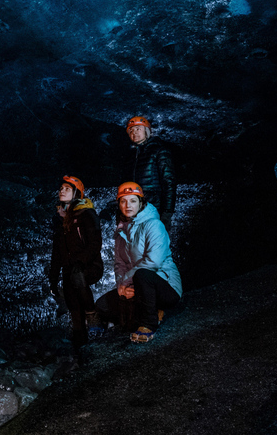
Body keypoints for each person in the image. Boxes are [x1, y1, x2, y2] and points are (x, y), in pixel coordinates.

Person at [95, 182, 182, 342]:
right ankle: (154, 310)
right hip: (136, 285)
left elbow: (153, 263)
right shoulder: (121, 231)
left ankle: (149, 325)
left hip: (164, 286)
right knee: (102, 305)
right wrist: (121, 287)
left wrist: (130, 282)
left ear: (141, 202)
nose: (128, 205)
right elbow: (119, 264)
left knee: (143, 275)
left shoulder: (154, 225)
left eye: (133, 200)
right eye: (123, 201)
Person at [49, 176, 103, 366]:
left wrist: (81, 261)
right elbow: (57, 252)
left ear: (77, 194)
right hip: (70, 268)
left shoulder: (87, 215)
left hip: (90, 266)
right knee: (73, 305)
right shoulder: (61, 219)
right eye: (61, 188)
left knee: (77, 277)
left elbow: (95, 243)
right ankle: (81, 347)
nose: (62, 191)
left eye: (67, 189)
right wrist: (53, 278)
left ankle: (93, 315)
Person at [124, 116, 176, 233]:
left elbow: (169, 182)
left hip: (154, 211)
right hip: (135, 213)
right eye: (131, 130)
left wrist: (167, 213)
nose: (134, 132)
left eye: (138, 129)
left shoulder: (160, 151)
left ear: (147, 131)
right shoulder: (131, 158)